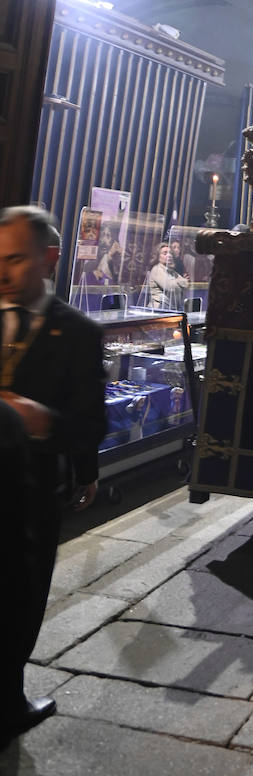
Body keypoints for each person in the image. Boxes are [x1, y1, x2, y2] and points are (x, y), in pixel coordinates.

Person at [0, 205, 106, 747]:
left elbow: (91, 424)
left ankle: (8, 699)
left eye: (15, 259)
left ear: (48, 259)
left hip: (30, 499)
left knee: (19, 599)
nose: (2, 272)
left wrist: (43, 422)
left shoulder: (79, 334)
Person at [145, 243, 189, 310]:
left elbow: (186, 284)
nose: (169, 255)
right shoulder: (157, 269)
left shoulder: (172, 271)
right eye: (165, 253)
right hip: (159, 310)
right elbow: (171, 288)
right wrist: (180, 281)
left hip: (171, 309)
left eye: (170, 253)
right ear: (158, 256)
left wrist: (176, 282)